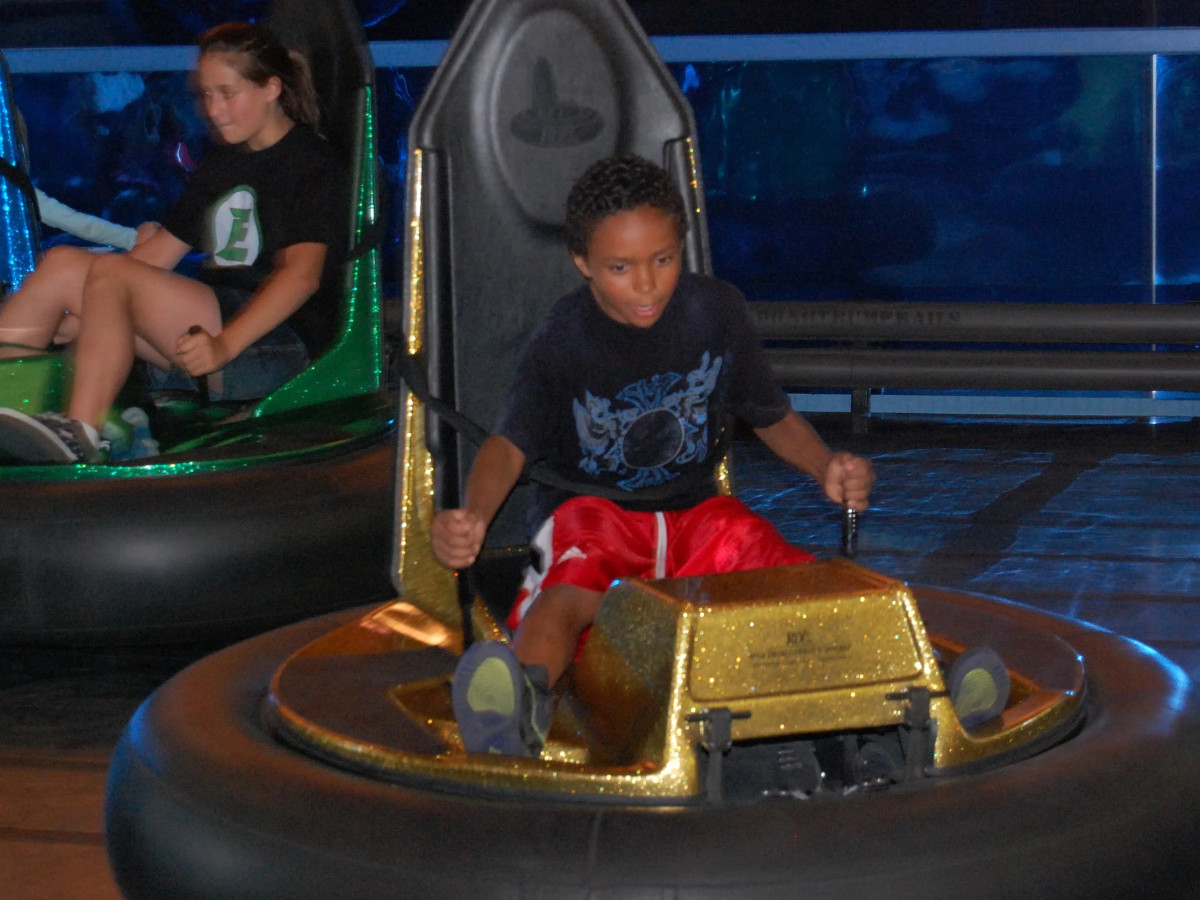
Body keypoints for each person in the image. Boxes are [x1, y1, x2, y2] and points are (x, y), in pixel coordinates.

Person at [433, 154, 875, 758]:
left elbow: (769, 414)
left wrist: (826, 466)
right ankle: (514, 714)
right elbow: (509, 445)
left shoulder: (716, 312)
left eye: (662, 261)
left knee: (788, 571)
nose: (647, 285)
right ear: (584, 264)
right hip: (596, 515)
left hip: (695, 516)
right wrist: (474, 517)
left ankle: (895, 690)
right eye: (621, 267)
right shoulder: (564, 337)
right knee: (567, 593)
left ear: (681, 249)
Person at [0, 21, 345, 463]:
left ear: (271, 88)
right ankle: (8, 399)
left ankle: (79, 434)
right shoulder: (224, 161)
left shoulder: (311, 163)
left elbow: (302, 276)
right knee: (65, 263)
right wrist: (78, 311)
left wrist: (224, 345)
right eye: (206, 94)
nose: (214, 109)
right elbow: (158, 256)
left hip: (273, 348)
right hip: (211, 328)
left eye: (227, 93)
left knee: (110, 272)